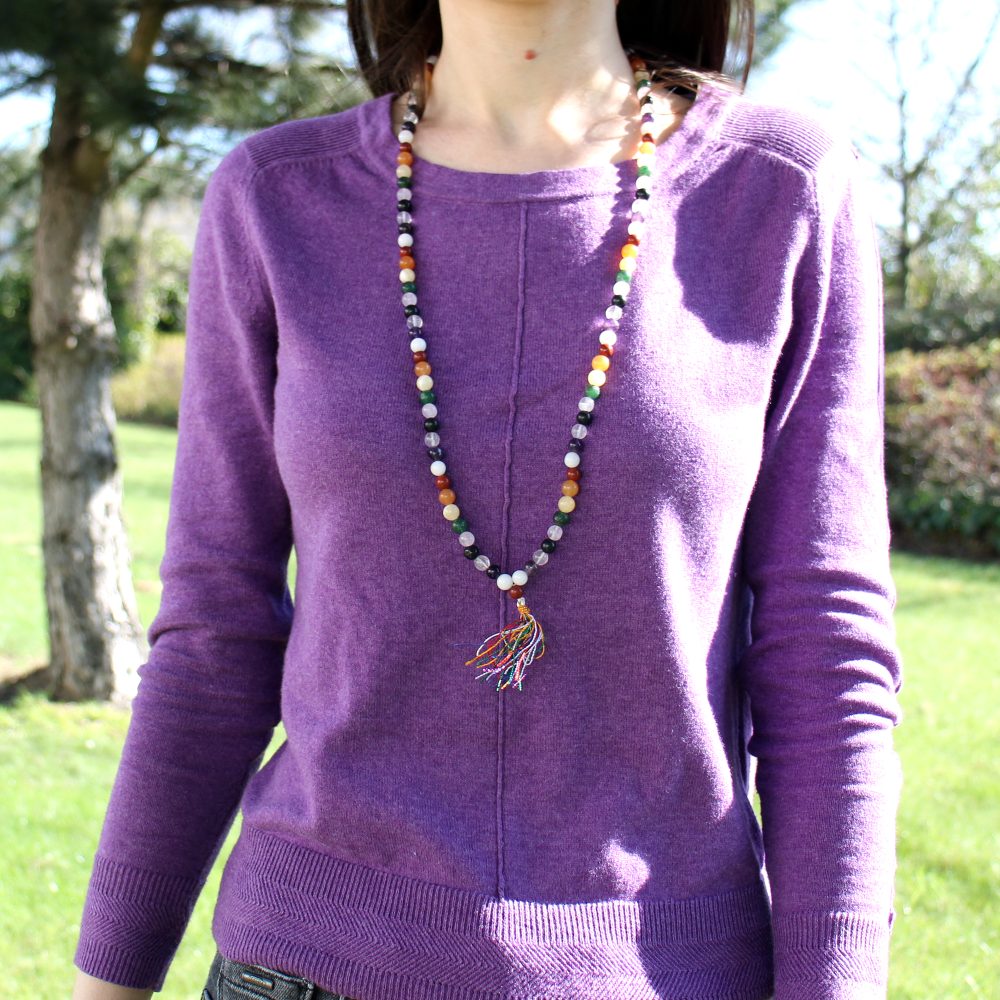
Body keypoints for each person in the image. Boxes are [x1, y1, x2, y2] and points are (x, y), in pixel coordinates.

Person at [70, 1, 904, 998]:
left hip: (663, 971)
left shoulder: (779, 192)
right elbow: (213, 633)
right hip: (303, 964)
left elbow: (825, 652)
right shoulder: (275, 198)